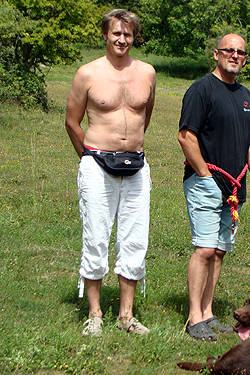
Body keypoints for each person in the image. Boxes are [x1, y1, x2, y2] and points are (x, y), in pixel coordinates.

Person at [65, 9, 156, 337]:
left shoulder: (147, 73)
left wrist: (129, 147)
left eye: (128, 34)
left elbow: (145, 116)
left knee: (135, 240)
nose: (122, 39)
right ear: (105, 35)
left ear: (134, 36)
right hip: (97, 164)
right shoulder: (87, 73)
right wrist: (88, 159)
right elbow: (72, 122)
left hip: (136, 166)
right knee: (96, 238)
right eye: (116, 33)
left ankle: (126, 315)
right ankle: (95, 313)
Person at [178, 34, 250, 341]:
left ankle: (208, 313)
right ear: (216, 53)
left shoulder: (244, 94)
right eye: (229, 50)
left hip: (235, 188)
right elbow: (186, 136)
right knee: (203, 249)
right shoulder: (201, 90)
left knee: (219, 251)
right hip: (206, 184)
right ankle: (193, 318)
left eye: (241, 52)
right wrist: (203, 176)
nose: (235, 55)